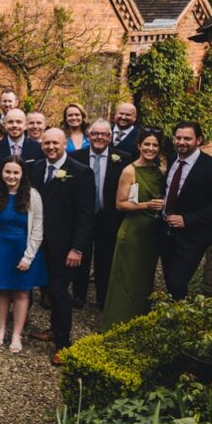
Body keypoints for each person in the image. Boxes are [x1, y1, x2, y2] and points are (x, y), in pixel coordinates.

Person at [28, 129, 95, 365]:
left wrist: (77, 248)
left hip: (65, 245)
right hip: (39, 241)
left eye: (55, 143)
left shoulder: (81, 173)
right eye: (46, 143)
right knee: (47, 288)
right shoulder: (36, 167)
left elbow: (85, 215)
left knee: (59, 291)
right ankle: (54, 329)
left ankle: (64, 344)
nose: (50, 147)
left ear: (64, 144)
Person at [159, 121, 212, 299]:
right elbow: (169, 189)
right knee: (169, 279)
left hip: (193, 235)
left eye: (187, 138)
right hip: (166, 231)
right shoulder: (171, 159)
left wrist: (187, 219)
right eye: (178, 138)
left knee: (178, 280)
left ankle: (180, 316)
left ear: (199, 140)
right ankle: (175, 312)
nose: (181, 142)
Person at [101, 129, 166, 331]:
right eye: (147, 144)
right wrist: (147, 205)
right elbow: (120, 204)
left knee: (144, 280)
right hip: (132, 233)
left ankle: (138, 322)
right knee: (126, 278)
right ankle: (117, 322)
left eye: (154, 145)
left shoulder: (160, 171)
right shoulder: (130, 170)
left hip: (151, 234)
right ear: (139, 146)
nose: (150, 148)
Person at [0, 157, 45, 354]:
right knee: (1, 290)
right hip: (1, 247)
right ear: (2, 173)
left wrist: (28, 257)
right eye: (7, 172)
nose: (11, 176)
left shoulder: (32, 195)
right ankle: (1, 329)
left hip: (23, 248)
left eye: (15, 172)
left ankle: (16, 334)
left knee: (21, 292)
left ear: (22, 174)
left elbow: (37, 228)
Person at [69, 119, 130, 308]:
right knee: (81, 255)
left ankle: (102, 298)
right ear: (89, 136)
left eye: (104, 134)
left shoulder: (123, 158)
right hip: (82, 216)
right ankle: (78, 296)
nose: (99, 138)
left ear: (110, 138)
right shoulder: (75, 157)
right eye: (95, 134)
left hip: (108, 216)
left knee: (105, 258)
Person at [0, 109, 41, 190]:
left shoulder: (37, 148)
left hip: (30, 197)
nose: (14, 125)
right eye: (10, 122)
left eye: (18, 122)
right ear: (4, 125)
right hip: (2, 197)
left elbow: (38, 178)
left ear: (25, 125)